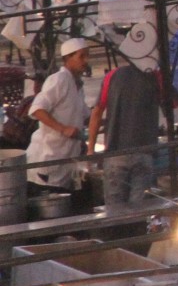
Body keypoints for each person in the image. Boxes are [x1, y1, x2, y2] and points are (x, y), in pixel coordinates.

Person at [91, 53, 166, 213]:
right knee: (140, 211)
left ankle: (119, 236)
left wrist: (91, 149)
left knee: (114, 211)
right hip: (143, 153)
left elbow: (97, 112)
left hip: (115, 155)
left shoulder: (112, 76)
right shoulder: (155, 77)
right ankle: (138, 236)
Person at [25, 39, 92, 190]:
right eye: (81, 56)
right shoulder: (58, 80)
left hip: (64, 162)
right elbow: (37, 109)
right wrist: (63, 129)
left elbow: (87, 117)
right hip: (47, 159)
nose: (86, 60)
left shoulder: (78, 86)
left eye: (87, 56)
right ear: (68, 58)